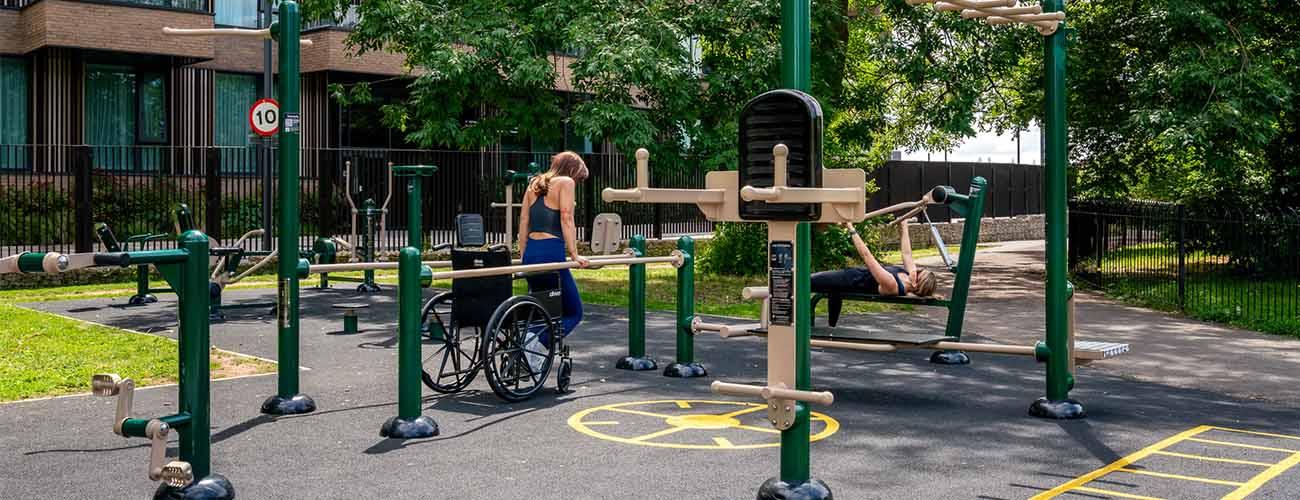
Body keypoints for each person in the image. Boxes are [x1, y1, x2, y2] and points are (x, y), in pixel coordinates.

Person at [516, 151, 590, 371]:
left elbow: (524, 219)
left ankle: (530, 342)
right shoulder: (565, 182)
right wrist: (575, 254)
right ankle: (536, 342)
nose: (577, 181)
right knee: (574, 312)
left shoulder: (534, 183)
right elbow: (566, 217)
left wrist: (523, 254)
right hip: (551, 251)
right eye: (579, 177)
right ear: (572, 170)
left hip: (531, 253)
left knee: (543, 307)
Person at [811, 220, 938, 297]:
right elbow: (907, 254)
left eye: (919, 272)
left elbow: (867, 257)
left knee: (804, 282)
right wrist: (904, 226)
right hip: (850, 273)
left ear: (915, 284)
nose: (916, 270)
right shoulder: (908, 276)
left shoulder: (892, 284)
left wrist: (851, 228)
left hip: (846, 281)